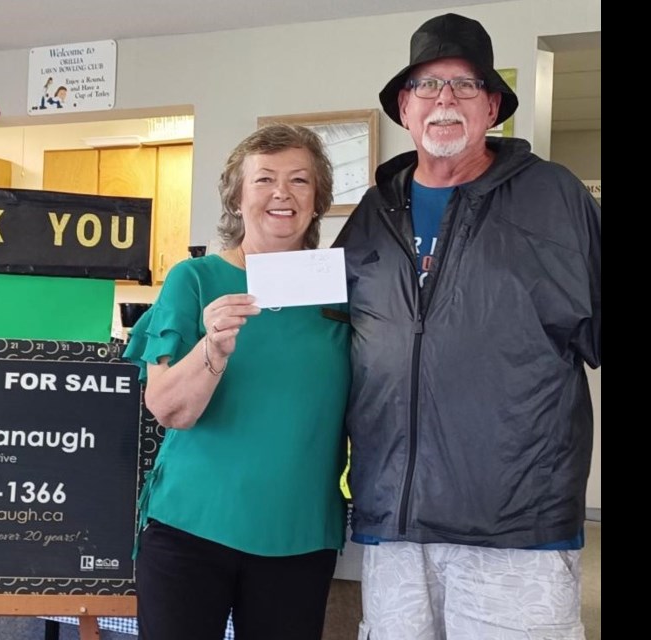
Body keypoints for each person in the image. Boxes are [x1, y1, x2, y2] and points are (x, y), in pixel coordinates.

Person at [332, 13, 601, 639]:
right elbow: (325, 337)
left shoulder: (555, 199)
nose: (444, 99)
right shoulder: (375, 213)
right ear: (405, 107)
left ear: (493, 107)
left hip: (514, 525)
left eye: (464, 85)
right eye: (427, 85)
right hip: (394, 523)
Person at [124, 123, 351, 640]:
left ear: (318, 201)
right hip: (191, 528)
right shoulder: (197, 279)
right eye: (264, 180)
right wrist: (212, 349)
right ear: (236, 197)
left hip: (298, 534)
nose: (281, 194)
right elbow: (167, 408)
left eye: (299, 181)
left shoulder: (342, 291)